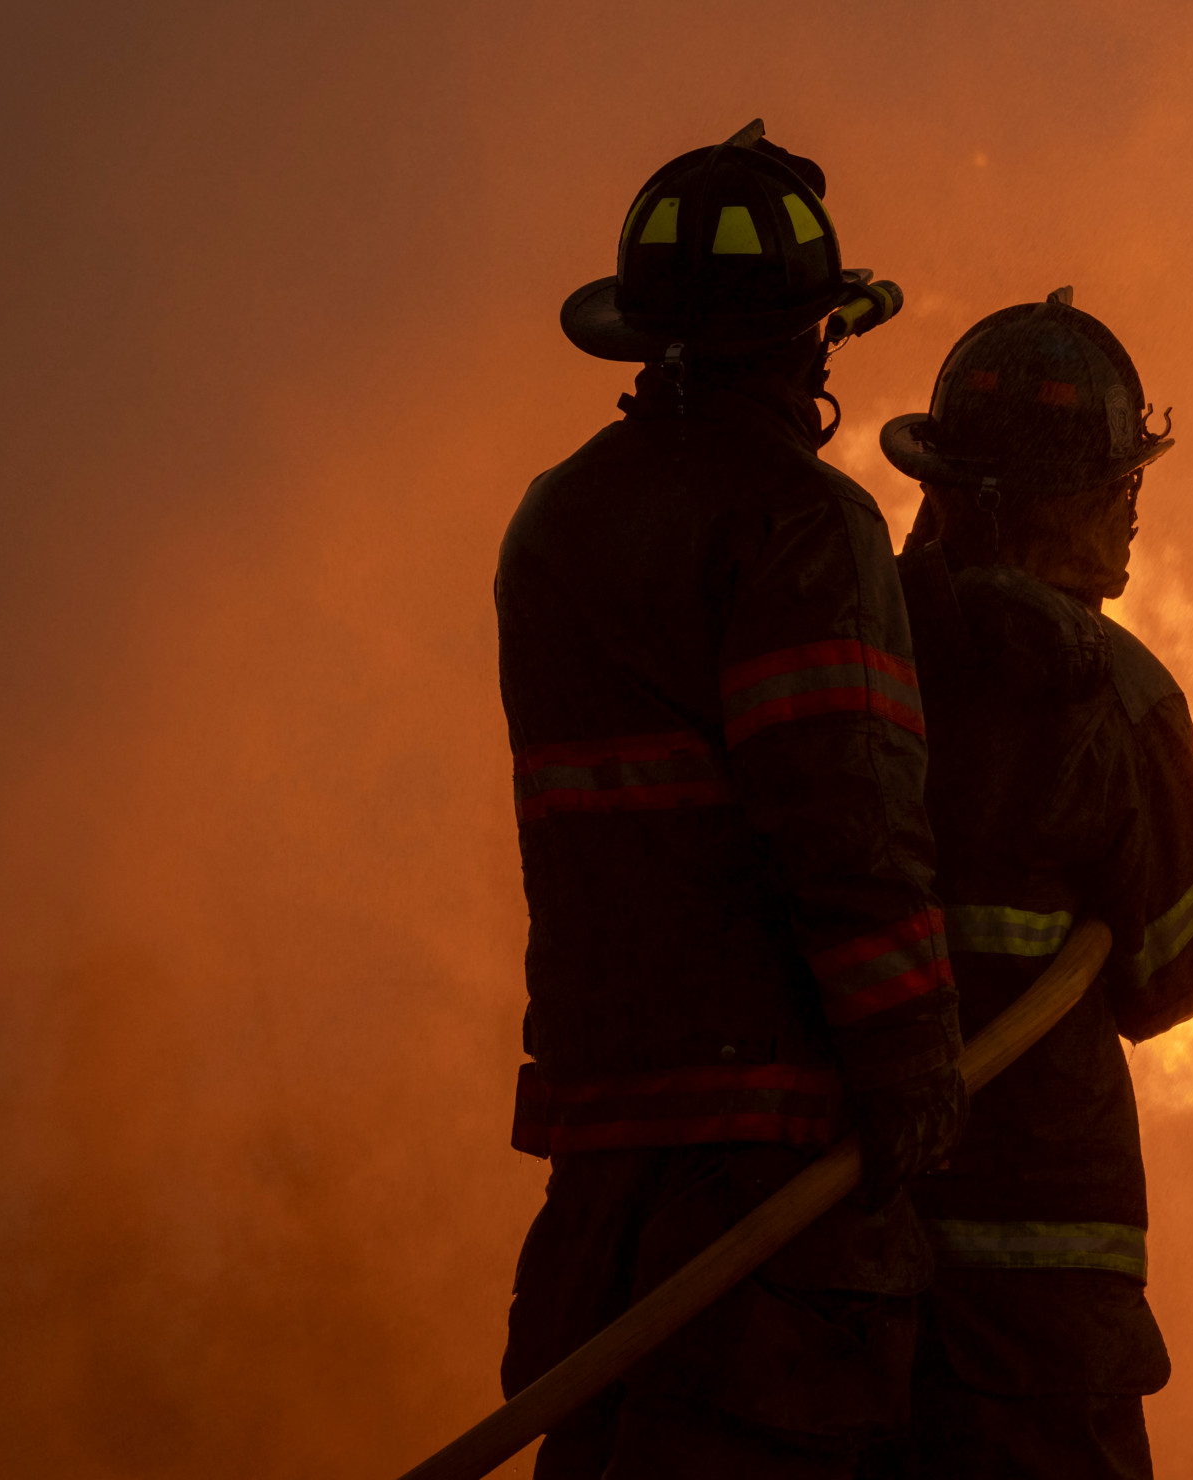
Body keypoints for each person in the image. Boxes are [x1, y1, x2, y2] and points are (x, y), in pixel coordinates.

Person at [493, 119, 964, 1480]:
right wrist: (913, 1064)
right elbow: (848, 825)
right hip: (769, 1171)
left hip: (602, 1159)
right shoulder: (803, 523)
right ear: (806, 342)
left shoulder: (554, 521)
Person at [875, 288, 1193, 1478]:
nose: (1132, 514)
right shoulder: (1108, 693)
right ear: (1046, 507)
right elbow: (1191, 945)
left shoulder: (852, 651)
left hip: (847, 1268)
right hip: (1045, 1301)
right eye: (1115, 487)